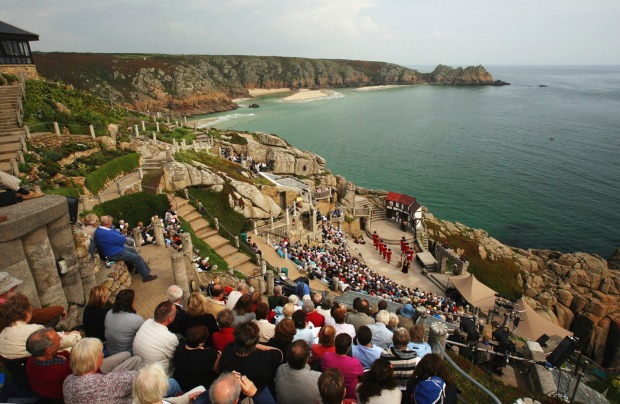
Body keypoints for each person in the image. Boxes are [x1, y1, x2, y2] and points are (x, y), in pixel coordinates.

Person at [26, 328, 142, 402]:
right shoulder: (61, 372)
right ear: (48, 350)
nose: (60, 337)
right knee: (135, 360)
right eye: (57, 340)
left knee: (126, 355)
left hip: (89, 370)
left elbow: (70, 359)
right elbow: (89, 378)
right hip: (95, 374)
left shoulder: (33, 360)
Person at [0, 293, 81, 360]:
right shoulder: (35, 330)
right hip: (41, 365)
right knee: (76, 347)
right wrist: (76, 335)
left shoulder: (2, 334)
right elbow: (64, 341)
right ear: (26, 313)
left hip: (22, 371)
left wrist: (63, 333)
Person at [219, 322, 283, 403]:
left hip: (235, 392)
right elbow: (279, 352)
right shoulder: (264, 358)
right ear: (255, 341)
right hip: (257, 390)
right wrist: (255, 345)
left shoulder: (228, 348)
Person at [62, 338, 136, 404]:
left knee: (128, 355)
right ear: (94, 360)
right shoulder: (106, 383)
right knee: (136, 360)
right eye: (100, 353)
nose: (103, 354)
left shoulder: (67, 381)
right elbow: (138, 377)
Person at [94, 215, 157, 282]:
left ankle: (137, 269)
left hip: (114, 250)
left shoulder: (100, 229)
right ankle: (146, 276)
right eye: (111, 222)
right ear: (108, 223)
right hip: (114, 253)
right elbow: (122, 239)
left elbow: (116, 232)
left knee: (132, 250)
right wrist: (121, 235)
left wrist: (119, 234)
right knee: (137, 258)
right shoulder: (106, 233)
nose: (112, 224)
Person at [0, 272, 66, 332]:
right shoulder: (9, 306)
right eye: (12, 288)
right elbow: (37, 315)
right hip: (15, 336)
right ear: (3, 293)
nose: (14, 289)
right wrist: (60, 309)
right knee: (54, 317)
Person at [132, 301, 180, 376]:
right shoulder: (170, 338)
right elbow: (176, 357)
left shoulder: (147, 322)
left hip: (139, 369)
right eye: (175, 312)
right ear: (170, 318)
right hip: (158, 378)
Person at [172, 325, 220, 392]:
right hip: (199, 389)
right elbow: (217, 370)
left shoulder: (179, 347)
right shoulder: (209, 354)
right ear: (201, 343)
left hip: (180, 383)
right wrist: (219, 357)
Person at [133, 363, 206, 404]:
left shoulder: (136, 400)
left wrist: (186, 398)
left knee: (172, 382)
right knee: (202, 389)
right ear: (162, 389)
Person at [321, 333, 364, 400]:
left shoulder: (326, 356)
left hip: (330, 393)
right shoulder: (355, 363)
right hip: (350, 396)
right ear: (348, 348)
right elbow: (361, 375)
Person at [104, 288, 144, 355]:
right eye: (134, 299)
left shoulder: (109, 312)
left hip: (109, 351)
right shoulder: (137, 320)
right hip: (126, 355)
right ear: (130, 302)